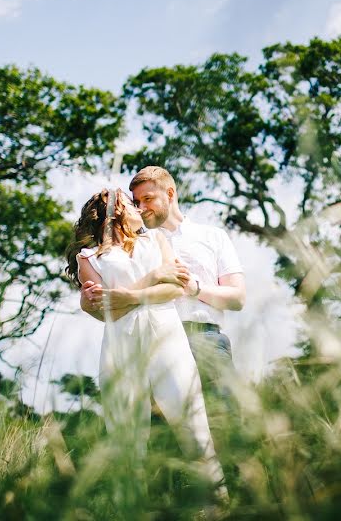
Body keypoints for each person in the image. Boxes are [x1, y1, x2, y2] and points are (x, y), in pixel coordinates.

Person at [65, 188, 226, 502]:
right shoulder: (88, 258)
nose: (138, 207)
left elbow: (172, 291)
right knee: (126, 431)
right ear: (115, 212)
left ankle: (219, 502)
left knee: (191, 418)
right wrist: (152, 277)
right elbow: (105, 310)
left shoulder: (156, 240)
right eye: (130, 202)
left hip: (167, 335)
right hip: (121, 343)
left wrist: (127, 296)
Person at [81, 166, 246, 404]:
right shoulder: (132, 246)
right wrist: (89, 303)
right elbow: (111, 302)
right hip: (151, 343)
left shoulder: (213, 236)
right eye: (136, 201)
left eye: (148, 199)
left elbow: (237, 298)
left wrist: (194, 287)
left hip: (204, 340)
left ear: (169, 194)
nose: (141, 207)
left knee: (223, 425)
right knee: (164, 436)